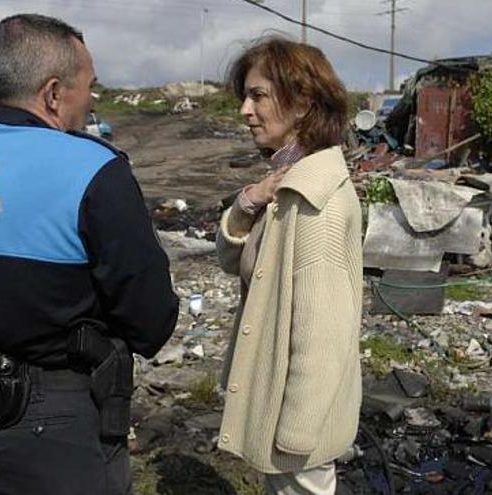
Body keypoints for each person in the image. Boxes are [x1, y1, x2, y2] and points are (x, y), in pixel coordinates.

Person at [0, 14, 178, 495]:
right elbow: (151, 317)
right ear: (52, 93)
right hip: (60, 426)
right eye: (88, 87)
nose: (91, 102)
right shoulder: (93, 169)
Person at [215, 36, 363, 495]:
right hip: (278, 403)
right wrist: (248, 201)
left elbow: (323, 334)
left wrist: (296, 435)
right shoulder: (284, 183)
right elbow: (230, 260)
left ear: (301, 104)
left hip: (296, 420)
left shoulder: (314, 200)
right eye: (246, 96)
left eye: (258, 95)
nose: (245, 110)